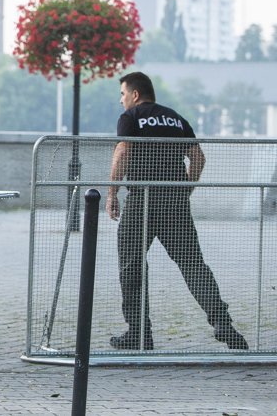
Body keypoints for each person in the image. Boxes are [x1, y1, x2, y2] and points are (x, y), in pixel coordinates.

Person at [106, 71, 247, 351]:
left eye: (122, 94)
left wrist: (112, 194)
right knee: (193, 265)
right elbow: (198, 157)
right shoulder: (176, 118)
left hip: (142, 201)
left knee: (132, 266)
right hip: (174, 203)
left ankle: (139, 333)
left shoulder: (131, 117)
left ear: (135, 94)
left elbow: (123, 151)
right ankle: (223, 323)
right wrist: (184, 191)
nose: (121, 100)